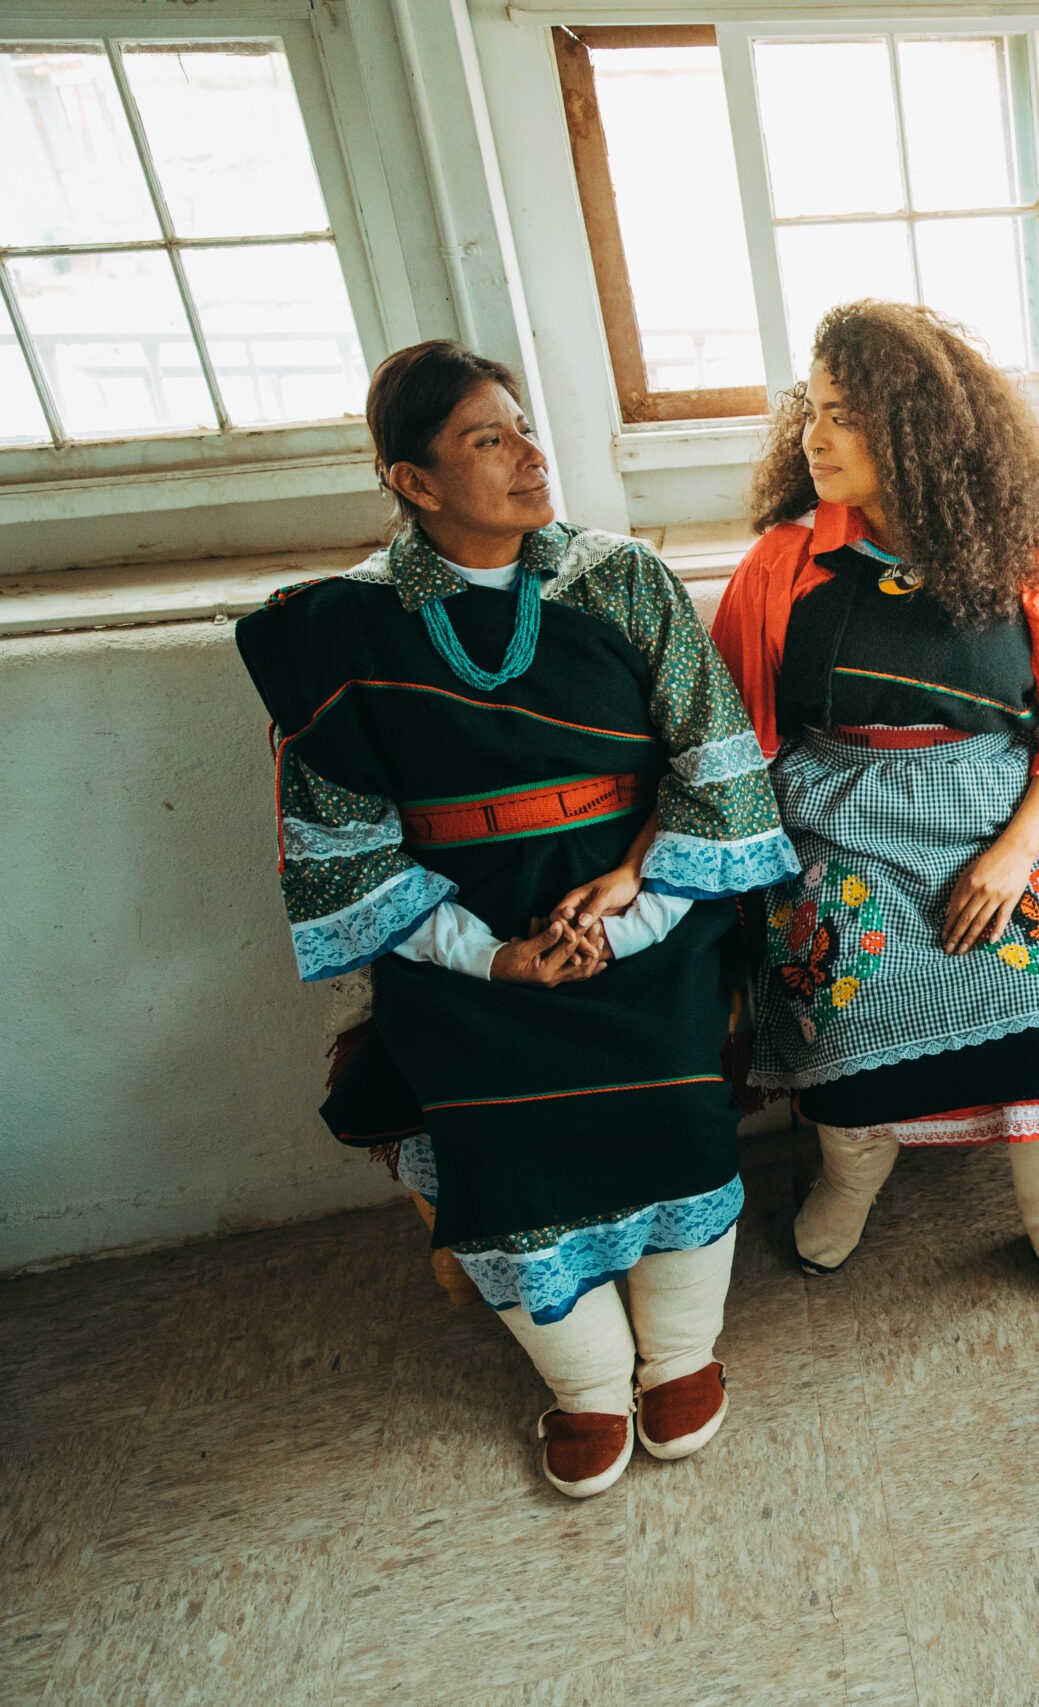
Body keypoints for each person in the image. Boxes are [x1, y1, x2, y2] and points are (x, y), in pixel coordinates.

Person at [234, 341, 797, 1498]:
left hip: (651, 919)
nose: (530, 455)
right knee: (491, 1126)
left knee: (675, 1092)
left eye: (525, 427)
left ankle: (680, 1356)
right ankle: (588, 1385)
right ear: (414, 481)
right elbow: (344, 848)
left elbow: (718, 764)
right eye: (486, 440)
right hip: (460, 946)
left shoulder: (621, 581)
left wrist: (633, 915)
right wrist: (493, 956)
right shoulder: (338, 631)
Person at [710, 300, 1039, 1321]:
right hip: (836, 818)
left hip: (1001, 818)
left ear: (919, 430)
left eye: (846, 415)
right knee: (841, 989)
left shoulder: (1027, 558)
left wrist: (1011, 857)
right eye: (812, 410)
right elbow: (736, 753)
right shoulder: (782, 566)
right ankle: (847, 1180)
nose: (816, 437)